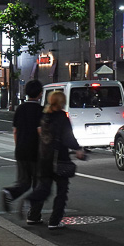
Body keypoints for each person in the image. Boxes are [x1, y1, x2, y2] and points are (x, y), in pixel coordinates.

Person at [26, 90, 86, 228]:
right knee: (62, 191)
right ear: (61, 102)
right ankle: (54, 221)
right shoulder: (62, 117)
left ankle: (33, 215)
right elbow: (68, 137)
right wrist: (78, 149)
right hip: (59, 159)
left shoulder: (45, 116)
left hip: (44, 157)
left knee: (43, 188)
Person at [1, 80, 44, 213]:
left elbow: (15, 131)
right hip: (36, 152)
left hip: (21, 150)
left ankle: (10, 193)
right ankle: (34, 215)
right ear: (40, 94)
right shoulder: (40, 110)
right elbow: (40, 131)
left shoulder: (20, 109)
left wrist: (18, 145)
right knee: (39, 185)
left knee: (24, 182)